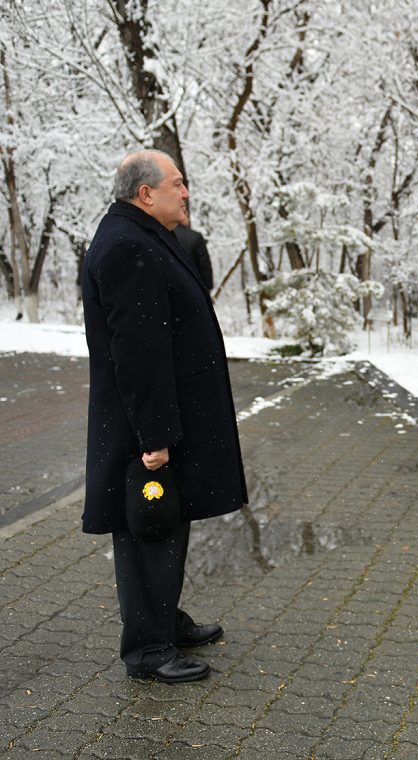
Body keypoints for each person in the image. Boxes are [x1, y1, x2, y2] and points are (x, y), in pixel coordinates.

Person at [81, 150, 248, 683]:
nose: (187, 192)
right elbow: (139, 352)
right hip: (146, 426)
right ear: (145, 192)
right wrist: (154, 436)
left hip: (164, 416)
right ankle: (148, 649)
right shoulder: (128, 246)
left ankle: (162, 621)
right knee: (148, 528)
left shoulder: (142, 236)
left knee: (165, 521)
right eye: (178, 183)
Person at [173, 216, 214, 291]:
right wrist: (208, 287)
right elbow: (205, 267)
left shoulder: (161, 236)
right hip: (194, 288)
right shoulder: (195, 237)